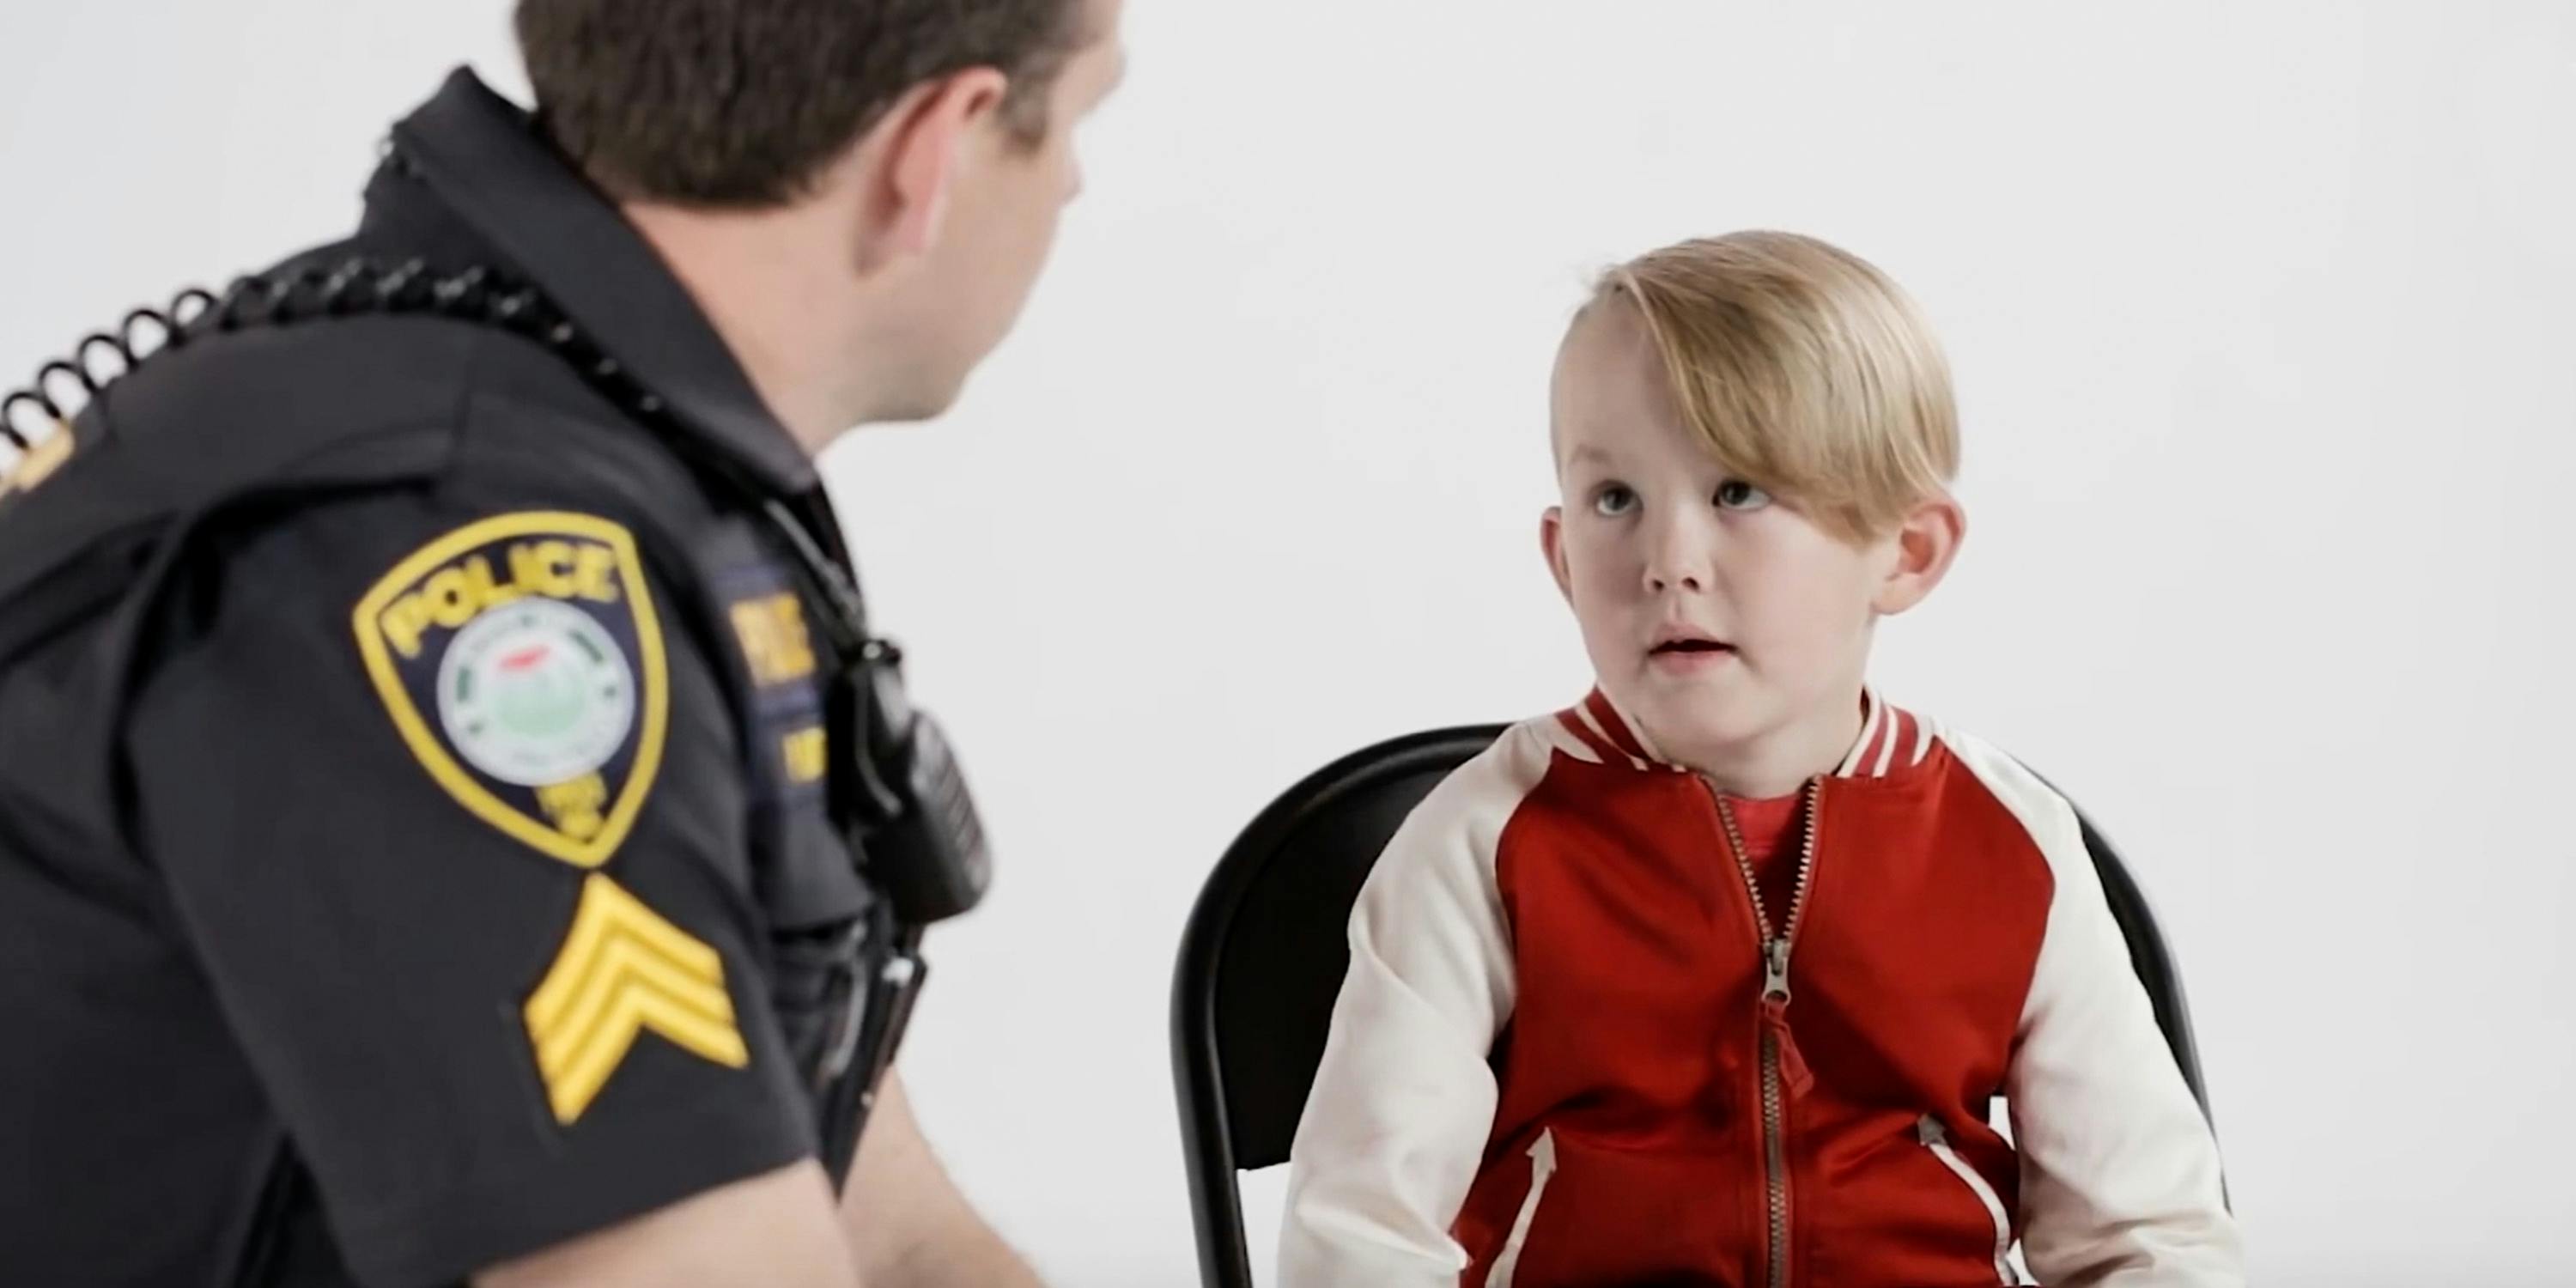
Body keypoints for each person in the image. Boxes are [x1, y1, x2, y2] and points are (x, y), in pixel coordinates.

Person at [0, 0, 1124, 1284]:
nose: (1078, 178)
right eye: (1082, 120)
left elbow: (893, 1231)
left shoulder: (629, 467)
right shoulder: (454, 553)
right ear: (940, 145)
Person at [1276, 231, 2245, 1287]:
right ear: (1560, 557)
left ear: (1906, 552)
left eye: (1739, 492)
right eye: (1616, 500)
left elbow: (2147, 1235)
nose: (1667, 563)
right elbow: (1362, 1237)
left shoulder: (2008, 842)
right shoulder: (1483, 845)